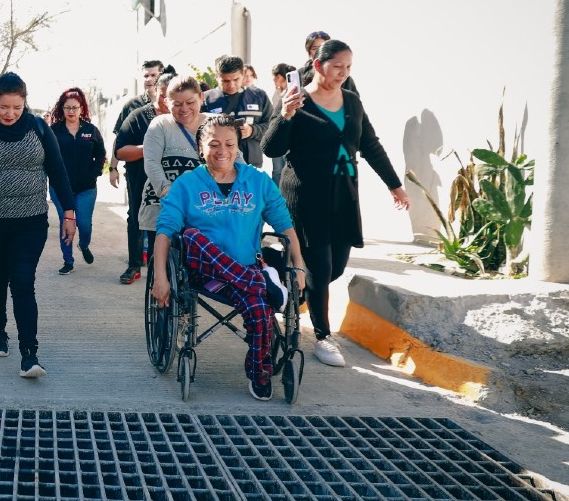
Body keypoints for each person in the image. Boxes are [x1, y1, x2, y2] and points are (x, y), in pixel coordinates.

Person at [263, 39, 409, 367]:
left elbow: (370, 144)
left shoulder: (352, 102)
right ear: (318, 65)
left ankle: (288, 285)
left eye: (348, 68)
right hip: (304, 194)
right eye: (337, 67)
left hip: (344, 194)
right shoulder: (297, 100)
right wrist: (285, 114)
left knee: (337, 266)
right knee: (320, 264)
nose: (343, 73)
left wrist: (394, 185)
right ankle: (323, 336)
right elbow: (271, 147)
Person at [153, 116, 306, 400]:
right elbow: (164, 232)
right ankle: (261, 284)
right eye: (213, 144)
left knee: (261, 311)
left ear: (239, 147)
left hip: (241, 274)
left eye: (229, 143)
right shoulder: (186, 185)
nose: (221, 150)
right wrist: (161, 277)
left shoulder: (257, 182)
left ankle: (259, 371)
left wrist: (298, 265)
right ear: (201, 148)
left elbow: (285, 226)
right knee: (191, 237)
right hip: (204, 274)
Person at [0, 72, 76, 379]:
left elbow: (58, 171)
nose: (10, 113)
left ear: (25, 104)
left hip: (29, 222)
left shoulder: (38, 128)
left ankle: (29, 353)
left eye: (16, 107)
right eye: (4, 107)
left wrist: (69, 213)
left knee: (22, 281)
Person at [112, 67, 174, 284]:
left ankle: (166, 269)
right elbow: (120, 150)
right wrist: (147, 149)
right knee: (137, 218)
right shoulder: (138, 116)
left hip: (174, 182)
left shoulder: (182, 117)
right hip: (140, 178)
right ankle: (134, 265)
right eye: (163, 93)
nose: (167, 100)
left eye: (171, 95)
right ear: (155, 91)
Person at [138, 74, 206, 237]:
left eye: (190, 102)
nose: (184, 109)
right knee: (162, 258)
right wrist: (167, 191)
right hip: (164, 205)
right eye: (177, 104)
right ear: (167, 103)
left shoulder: (216, 123)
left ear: (201, 97)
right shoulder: (160, 124)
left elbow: (236, 160)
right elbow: (151, 162)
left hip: (205, 209)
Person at [48, 87, 106, 275]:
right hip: (59, 188)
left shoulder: (91, 130)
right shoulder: (53, 131)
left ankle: (84, 244)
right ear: (61, 109)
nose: (71, 111)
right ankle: (68, 260)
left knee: (84, 223)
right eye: (67, 108)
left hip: (86, 188)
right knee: (67, 220)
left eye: (75, 107)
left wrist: (95, 173)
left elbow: (101, 153)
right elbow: (45, 155)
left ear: (82, 109)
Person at [201, 54, 272, 168]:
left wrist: (252, 130)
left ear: (243, 74)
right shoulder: (206, 99)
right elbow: (196, 132)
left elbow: (273, 127)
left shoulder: (259, 96)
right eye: (225, 81)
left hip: (251, 164)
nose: (231, 85)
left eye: (236, 79)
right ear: (216, 77)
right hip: (217, 165)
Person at [268, 63, 297, 186]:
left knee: (280, 170)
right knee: (278, 169)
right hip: (279, 133)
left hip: (285, 133)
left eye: (273, 78)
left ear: (279, 77)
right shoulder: (279, 92)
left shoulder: (289, 93)